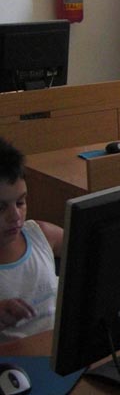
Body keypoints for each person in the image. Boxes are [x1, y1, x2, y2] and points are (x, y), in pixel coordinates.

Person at [0, 138, 62, 343]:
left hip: (61, 349)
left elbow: (92, 243)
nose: (15, 216)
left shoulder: (40, 234)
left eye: (20, 202)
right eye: (1, 208)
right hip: (17, 360)